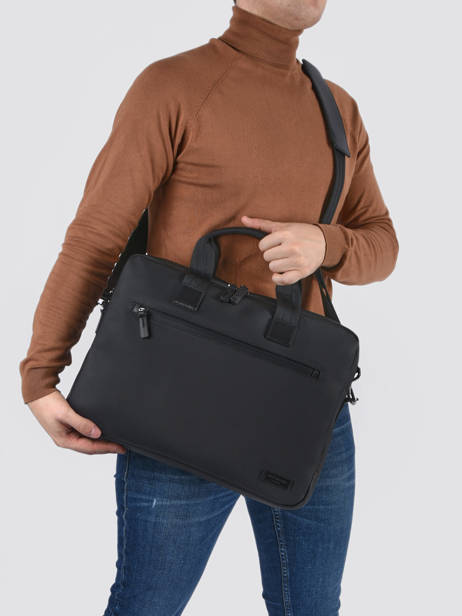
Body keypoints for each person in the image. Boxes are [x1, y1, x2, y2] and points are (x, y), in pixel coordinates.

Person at [19, 1, 398, 614]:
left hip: (305, 412)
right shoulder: (172, 86)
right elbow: (96, 237)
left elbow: (382, 243)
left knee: (313, 607)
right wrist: (41, 374)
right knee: (147, 605)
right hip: (178, 405)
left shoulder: (338, 109)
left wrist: (325, 244)